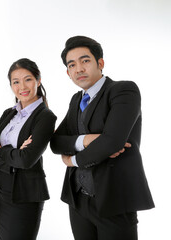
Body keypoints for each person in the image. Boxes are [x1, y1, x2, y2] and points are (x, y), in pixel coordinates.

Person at [50, 36, 155, 240]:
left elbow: (112, 142)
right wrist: (86, 140)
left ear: (100, 63)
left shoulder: (123, 90)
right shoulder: (76, 100)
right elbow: (56, 141)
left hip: (114, 200)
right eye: (72, 65)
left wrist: (72, 160)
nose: (79, 68)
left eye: (85, 61)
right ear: (68, 72)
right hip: (78, 200)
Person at [0, 58, 57, 240]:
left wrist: (0, 150)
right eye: (15, 82)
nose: (22, 86)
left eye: (28, 79)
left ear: (38, 81)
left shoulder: (45, 117)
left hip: (25, 195)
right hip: (2, 190)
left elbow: (26, 160)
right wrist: (13, 155)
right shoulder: (9, 113)